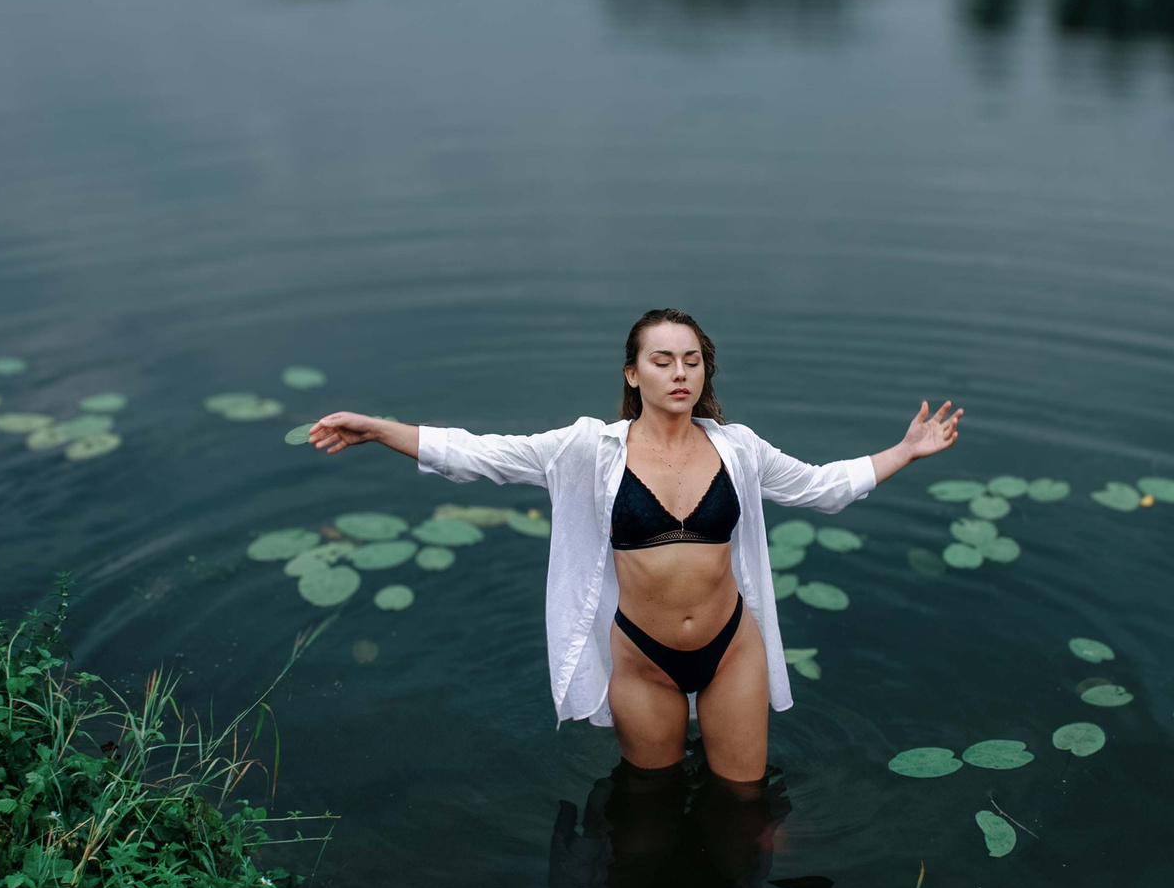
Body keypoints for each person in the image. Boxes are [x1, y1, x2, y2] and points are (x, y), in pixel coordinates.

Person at [304, 307, 961, 782]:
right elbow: (482, 455)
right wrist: (379, 428)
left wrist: (905, 451)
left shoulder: (739, 448)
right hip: (641, 660)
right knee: (646, 808)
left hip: (732, 648)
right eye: (663, 359)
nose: (680, 372)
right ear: (633, 373)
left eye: (692, 360)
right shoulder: (589, 448)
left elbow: (823, 487)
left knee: (746, 805)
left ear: (706, 372)